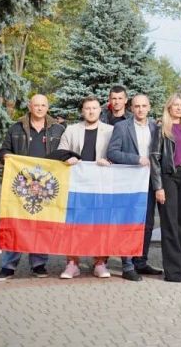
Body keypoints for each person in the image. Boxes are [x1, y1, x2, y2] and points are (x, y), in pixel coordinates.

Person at [0, 94, 65, 281]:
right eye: (36, 105)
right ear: (29, 106)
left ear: (47, 107)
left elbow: (64, 152)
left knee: (42, 224)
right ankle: (8, 266)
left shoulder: (58, 129)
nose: (39, 108)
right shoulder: (16, 127)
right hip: (21, 186)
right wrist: (6, 157)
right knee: (16, 224)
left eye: (43, 105)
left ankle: (39, 264)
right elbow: (4, 150)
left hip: (46, 186)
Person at [57, 96, 115, 279]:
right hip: (77, 185)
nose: (91, 111)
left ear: (100, 110)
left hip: (101, 185)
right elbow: (61, 150)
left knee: (100, 224)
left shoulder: (111, 131)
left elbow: (116, 153)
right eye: (87, 108)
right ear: (82, 111)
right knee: (74, 224)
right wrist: (68, 158)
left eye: (94, 108)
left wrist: (109, 161)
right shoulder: (71, 130)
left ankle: (99, 262)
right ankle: (72, 263)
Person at [107, 93, 162, 280]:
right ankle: (127, 265)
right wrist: (137, 159)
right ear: (131, 108)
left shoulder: (156, 128)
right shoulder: (122, 127)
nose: (140, 109)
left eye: (144, 106)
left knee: (147, 224)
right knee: (129, 223)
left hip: (149, 183)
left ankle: (141, 261)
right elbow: (112, 152)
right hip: (129, 183)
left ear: (149, 107)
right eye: (137, 106)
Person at [150, 93, 181, 283]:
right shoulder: (162, 128)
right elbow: (155, 158)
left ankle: (178, 265)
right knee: (170, 223)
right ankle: (172, 271)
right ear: (169, 107)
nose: (178, 108)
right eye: (175, 105)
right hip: (169, 177)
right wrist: (158, 187)